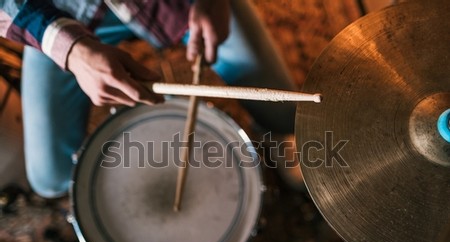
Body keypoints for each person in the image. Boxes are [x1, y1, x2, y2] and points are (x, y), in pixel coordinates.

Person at [0, 0, 303, 199]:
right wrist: (71, 51)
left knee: (284, 114)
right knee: (49, 178)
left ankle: (272, 130)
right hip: (59, 11)